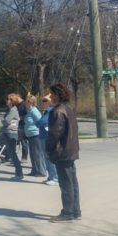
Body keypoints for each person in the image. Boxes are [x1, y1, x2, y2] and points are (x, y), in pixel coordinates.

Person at [46, 83, 81, 221]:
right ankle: (75, 210)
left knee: (66, 184)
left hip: (62, 152)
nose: (51, 97)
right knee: (72, 183)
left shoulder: (58, 111)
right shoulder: (68, 109)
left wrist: (48, 149)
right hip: (70, 150)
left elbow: (54, 134)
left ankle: (67, 212)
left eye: (52, 94)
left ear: (58, 95)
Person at [0, 93, 24, 180]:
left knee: (12, 154)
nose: (6, 101)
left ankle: (19, 174)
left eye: (8, 99)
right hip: (8, 132)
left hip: (11, 133)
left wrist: (2, 120)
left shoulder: (13, 110)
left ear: (12, 101)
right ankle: (18, 173)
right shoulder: (10, 110)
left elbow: (6, 121)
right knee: (11, 153)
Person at [36, 95, 59, 185]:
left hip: (47, 137)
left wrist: (38, 122)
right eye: (42, 101)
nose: (43, 102)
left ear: (50, 102)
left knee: (50, 158)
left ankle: (55, 178)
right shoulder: (46, 111)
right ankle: (51, 177)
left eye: (45, 101)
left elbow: (42, 122)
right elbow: (40, 122)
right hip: (43, 136)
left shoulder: (50, 111)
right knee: (46, 158)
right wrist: (38, 122)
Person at [23, 95, 45, 177]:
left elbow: (40, 122)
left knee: (37, 153)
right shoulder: (29, 111)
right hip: (30, 135)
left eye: (26, 101)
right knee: (32, 154)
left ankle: (41, 171)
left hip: (36, 134)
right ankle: (35, 170)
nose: (25, 103)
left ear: (30, 102)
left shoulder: (34, 111)